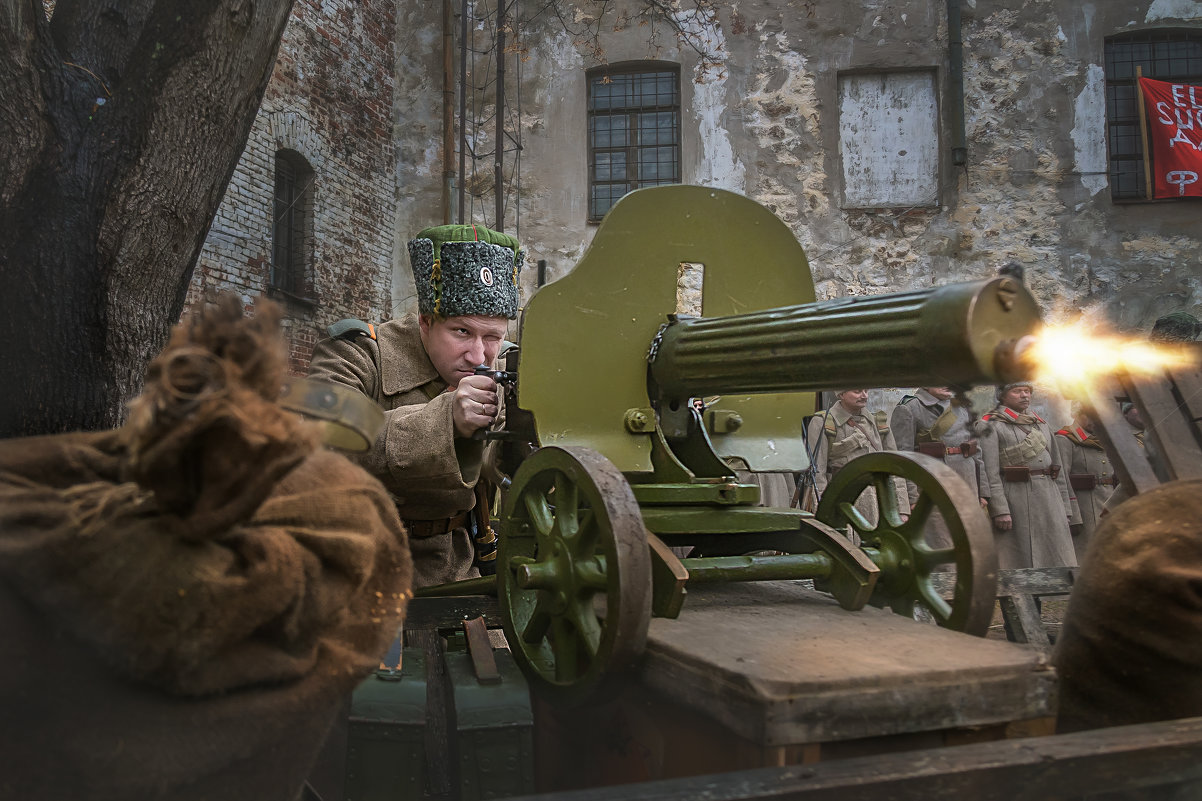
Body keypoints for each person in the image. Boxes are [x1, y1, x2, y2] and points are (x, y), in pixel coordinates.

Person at [308, 224, 523, 588]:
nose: (478, 355)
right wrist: (446, 420)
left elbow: (516, 465)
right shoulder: (357, 353)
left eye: (492, 337)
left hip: (459, 568)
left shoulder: (506, 367)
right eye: (461, 332)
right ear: (425, 321)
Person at [978, 382, 1077, 569]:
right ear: (1002, 396)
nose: (1024, 395)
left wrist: (1066, 507)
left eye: (1027, 391)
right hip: (1015, 497)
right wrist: (1000, 509)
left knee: (1056, 556)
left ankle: (1051, 592)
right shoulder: (990, 425)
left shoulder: (1041, 424)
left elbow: (1058, 470)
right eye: (1017, 391)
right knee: (1017, 559)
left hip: (1049, 496)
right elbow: (990, 473)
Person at [890, 387, 988, 549]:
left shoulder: (962, 407)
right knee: (942, 546)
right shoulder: (909, 409)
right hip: (932, 489)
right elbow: (902, 457)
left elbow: (975, 451)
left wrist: (983, 492)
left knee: (970, 545)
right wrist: (911, 498)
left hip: (966, 486)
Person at [806, 389, 909, 528]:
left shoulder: (878, 423)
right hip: (840, 500)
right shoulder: (822, 423)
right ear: (841, 394)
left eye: (866, 390)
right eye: (857, 391)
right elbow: (818, 474)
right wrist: (824, 510)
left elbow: (894, 468)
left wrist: (902, 510)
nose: (864, 395)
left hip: (877, 501)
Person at [1055, 407, 1116, 562]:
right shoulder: (1065, 439)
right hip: (1084, 508)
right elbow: (1061, 479)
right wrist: (1073, 514)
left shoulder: (1105, 438)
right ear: (1076, 415)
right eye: (1089, 415)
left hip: (1109, 502)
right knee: (1087, 555)